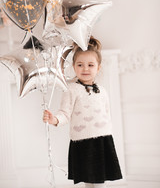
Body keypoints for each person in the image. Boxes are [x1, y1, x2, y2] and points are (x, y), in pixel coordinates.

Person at [43, 36, 122, 188]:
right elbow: (65, 113)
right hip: (83, 143)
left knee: (100, 183)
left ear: (98, 67)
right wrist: (55, 119)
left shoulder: (102, 91)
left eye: (90, 65)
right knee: (89, 181)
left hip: (102, 141)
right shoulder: (71, 89)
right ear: (73, 66)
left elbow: (107, 115)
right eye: (80, 65)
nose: (85, 69)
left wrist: (108, 137)